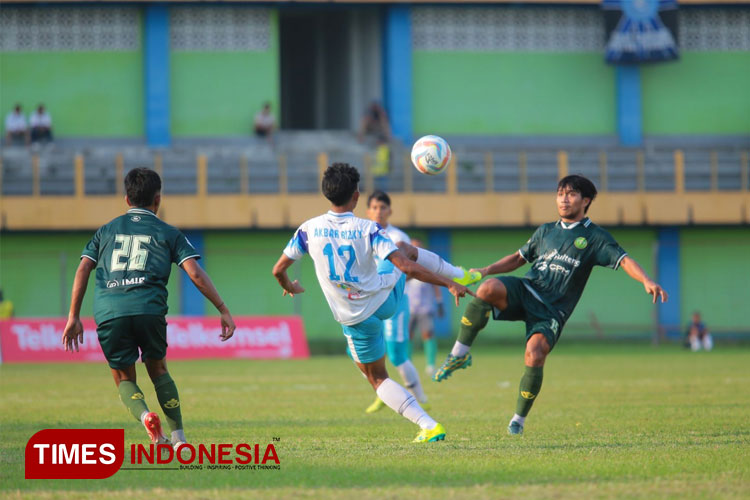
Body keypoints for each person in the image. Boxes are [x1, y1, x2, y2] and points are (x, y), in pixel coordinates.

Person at [433, 174, 668, 436]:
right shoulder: (545, 231)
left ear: (585, 200)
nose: (564, 199)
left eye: (571, 194)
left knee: (534, 354)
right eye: (560, 193)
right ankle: (459, 354)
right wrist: (485, 270)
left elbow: (624, 260)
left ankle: (517, 421)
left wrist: (646, 280)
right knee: (486, 289)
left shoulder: (595, 237)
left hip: (552, 310)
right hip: (527, 289)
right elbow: (518, 258)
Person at [272, 163, 479, 443]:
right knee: (403, 248)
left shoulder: (308, 230)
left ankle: (428, 425)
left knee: (378, 378)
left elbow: (278, 269)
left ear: (325, 193)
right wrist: (449, 283)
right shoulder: (369, 228)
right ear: (356, 196)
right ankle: (459, 272)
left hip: (356, 319)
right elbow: (405, 267)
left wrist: (290, 286)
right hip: (386, 299)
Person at [62, 168, 236, 450]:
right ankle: (179, 439)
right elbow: (195, 274)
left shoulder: (105, 231)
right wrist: (223, 309)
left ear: (127, 198)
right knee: (158, 369)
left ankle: (145, 416)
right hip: (148, 309)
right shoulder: (168, 232)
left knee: (123, 376)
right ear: (158, 199)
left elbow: (83, 267)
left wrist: (73, 316)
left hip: (109, 311)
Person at [361, 191, 470, 414]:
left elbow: (408, 270)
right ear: (367, 211)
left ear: (389, 211)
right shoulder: (362, 233)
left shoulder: (398, 237)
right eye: (374, 207)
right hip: (368, 302)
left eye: (382, 207)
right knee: (357, 352)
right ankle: (383, 390)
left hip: (394, 301)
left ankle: (421, 398)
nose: (378, 211)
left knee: (396, 354)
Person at [405, 238, 443, 377]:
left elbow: (435, 285)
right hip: (408, 307)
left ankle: (430, 365)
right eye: (413, 247)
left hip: (425, 308)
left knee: (427, 334)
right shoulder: (403, 265)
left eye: (418, 247)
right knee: (407, 336)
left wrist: (439, 302)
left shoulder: (427, 267)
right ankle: (407, 364)